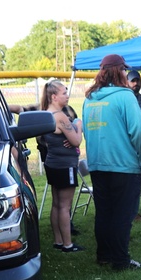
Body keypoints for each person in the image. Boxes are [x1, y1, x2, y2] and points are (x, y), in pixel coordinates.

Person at [82, 54, 141, 270]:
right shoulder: (126, 96)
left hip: (97, 164)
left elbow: (87, 132)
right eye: (124, 70)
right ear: (119, 71)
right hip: (124, 165)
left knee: (104, 212)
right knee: (123, 214)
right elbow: (138, 133)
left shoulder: (89, 99)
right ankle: (121, 261)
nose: (126, 73)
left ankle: (104, 255)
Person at [39, 80, 84, 252]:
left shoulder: (46, 114)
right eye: (64, 93)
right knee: (65, 206)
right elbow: (76, 141)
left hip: (52, 163)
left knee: (56, 204)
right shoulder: (60, 116)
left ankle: (58, 241)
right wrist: (78, 125)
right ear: (54, 97)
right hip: (65, 166)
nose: (67, 96)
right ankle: (68, 244)